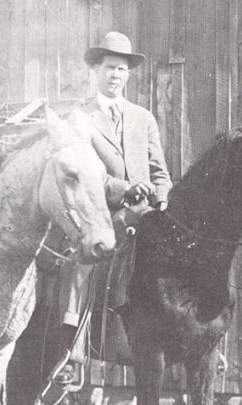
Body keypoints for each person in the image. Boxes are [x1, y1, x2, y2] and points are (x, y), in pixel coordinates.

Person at [52, 31, 172, 386]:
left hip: (147, 211)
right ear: (94, 71)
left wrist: (162, 200)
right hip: (101, 212)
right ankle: (70, 342)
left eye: (121, 69)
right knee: (82, 262)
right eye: (108, 68)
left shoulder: (143, 118)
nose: (115, 75)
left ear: (129, 74)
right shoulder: (81, 117)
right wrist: (125, 188)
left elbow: (159, 171)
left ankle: (185, 335)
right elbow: (89, 177)